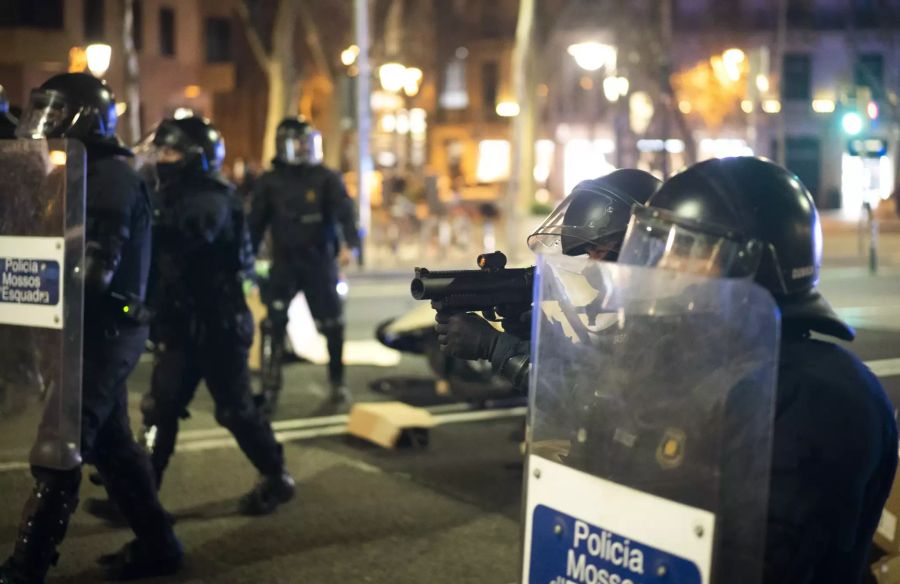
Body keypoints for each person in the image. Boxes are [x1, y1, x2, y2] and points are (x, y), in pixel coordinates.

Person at [616, 156, 897, 583]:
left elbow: (763, 562)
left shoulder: (821, 397)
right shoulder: (705, 359)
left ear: (755, 263)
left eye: (688, 249)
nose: (662, 267)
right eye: (661, 247)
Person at [0, 73, 183, 583]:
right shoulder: (68, 166)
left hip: (106, 329)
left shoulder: (111, 177)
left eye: (55, 111)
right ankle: (161, 547)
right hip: (81, 325)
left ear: (84, 115)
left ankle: (27, 567)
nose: (45, 121)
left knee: (60, 442)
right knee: (113, 447)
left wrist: (34, 276)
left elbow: (95, 272)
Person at [135, 116, 294, 514]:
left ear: (195, 158)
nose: (161, 159)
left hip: (218, 324)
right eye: (159, 151)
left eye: (170, 152)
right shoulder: (166, 193)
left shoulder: (213, 198)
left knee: (235, 410)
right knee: (161, 405)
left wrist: (136, 217)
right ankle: (137, 493)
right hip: (181, 324)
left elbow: (180, 233)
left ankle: (276, 476)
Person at [435, 169, 662, 394]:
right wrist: (537, 338)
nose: (593, 265)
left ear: (644, 247)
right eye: (589, 253)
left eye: (602, 251)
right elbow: (591, 363)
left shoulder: (665, 314)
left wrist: (497, 348)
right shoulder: (635, 307)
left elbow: (596, 394)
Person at [248, 117, 360, 409]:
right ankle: (270, 388)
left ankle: (337, 383)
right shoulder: (270, 181)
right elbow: (254, 223)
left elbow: (346, 212)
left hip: (319, 262)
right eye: (295, 143)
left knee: (333, 324)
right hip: (284, 262)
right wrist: (245, 256)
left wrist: (352, 244)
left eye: (305, 142)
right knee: (273, 323)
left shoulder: (326, 178)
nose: (301, 149)